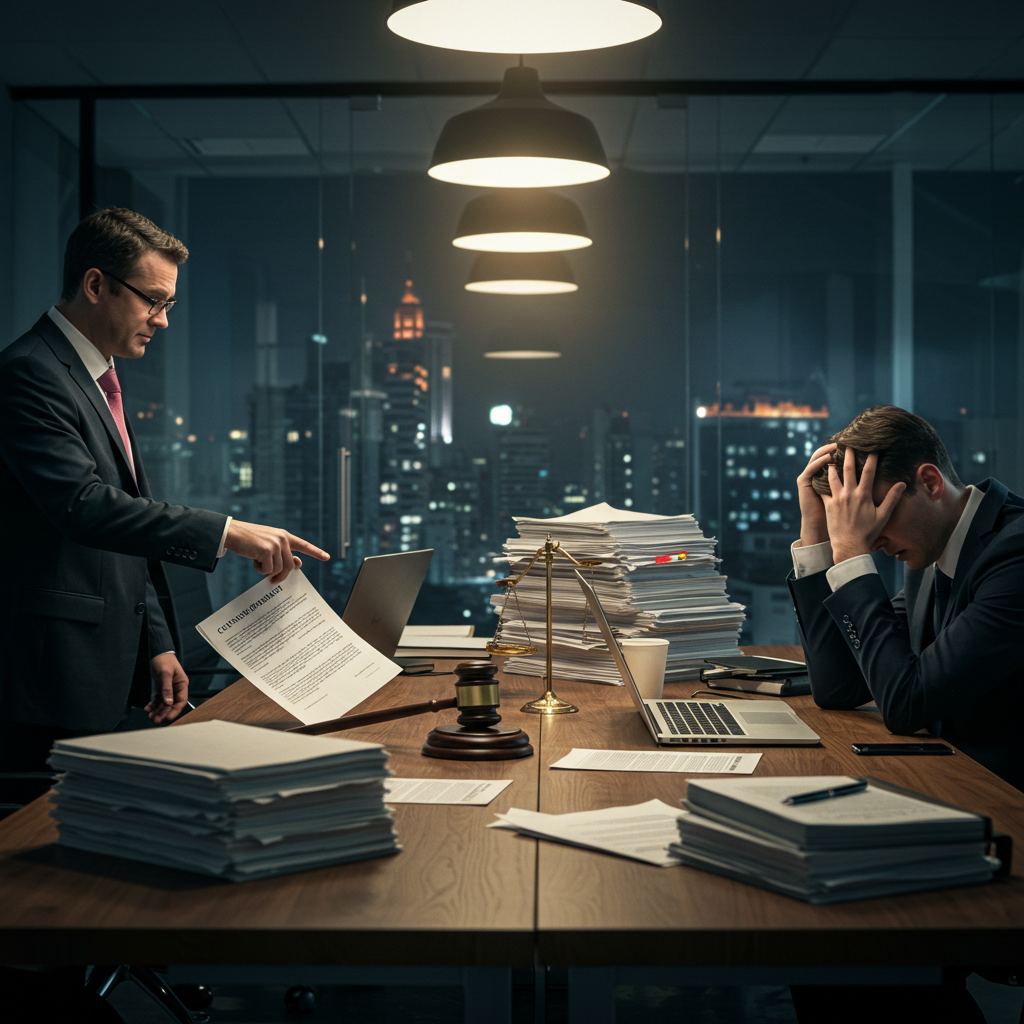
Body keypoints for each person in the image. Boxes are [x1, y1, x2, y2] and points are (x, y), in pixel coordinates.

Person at [0, 208, 330, 804]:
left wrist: (157, 642)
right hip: (53, 674)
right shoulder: (30, 373)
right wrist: (227, 531)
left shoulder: (95, 377)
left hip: (106, 663)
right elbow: (84, 507)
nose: (164, 321)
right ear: (96, 284)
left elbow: (125, 529)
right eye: (154, 301)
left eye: (170, 305)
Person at [787, 404, 1024, 792]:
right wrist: (817, 537)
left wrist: (851, 555)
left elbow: (907, 703)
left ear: (929, 482)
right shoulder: (931, 553)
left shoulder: (1014, 555)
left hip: (1005, 805)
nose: (871, 539)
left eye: (877, 513)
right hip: (948, 783)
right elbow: (839, 687)